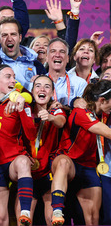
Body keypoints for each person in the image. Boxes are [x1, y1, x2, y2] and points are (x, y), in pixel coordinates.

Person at [0, 64, 38, 226]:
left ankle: (25, 212)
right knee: (1, 220)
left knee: (24, 161)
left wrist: (22, 107)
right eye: (8, 76)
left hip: (13, 161)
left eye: (14, 77)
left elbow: (31, 135)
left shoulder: (21, 102)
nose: (13, 80)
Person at [50, 80, 111, 226]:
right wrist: (74, 102)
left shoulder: (103, 112)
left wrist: (73, 101)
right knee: (63, 163)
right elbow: (108, 133)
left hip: (88, 167)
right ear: (102, 100)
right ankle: (57, 210)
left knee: (93, 219)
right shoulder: (81, 112)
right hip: (69, 162)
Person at [24, 75, 66, 225]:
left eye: (47, 86)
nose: (42, 89)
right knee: (23, 220)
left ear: (52, 93)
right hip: (27, 174)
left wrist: (50, 117)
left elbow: (61, 122)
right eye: (38, 86)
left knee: (52, 220)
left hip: (47, 175)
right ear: (32, 91)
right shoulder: (24, 110)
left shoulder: (56, 111)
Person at [46, 38, 87, 106]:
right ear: (47, 57)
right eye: (53, 51)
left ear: (67, 58)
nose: (57, 55)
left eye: (62, 51)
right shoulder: (38, 83)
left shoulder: (80, 84)